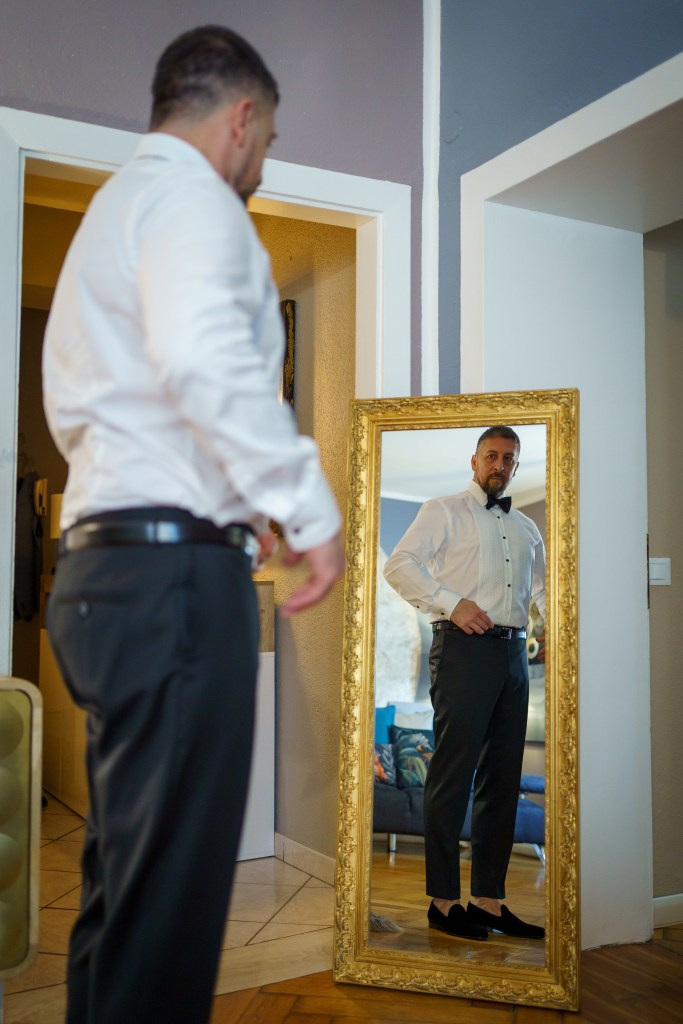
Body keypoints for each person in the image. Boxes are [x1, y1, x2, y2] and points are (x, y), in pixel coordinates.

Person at [42, 25, 344, 1024]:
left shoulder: (114, 210)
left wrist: (239, 506)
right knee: (166, 924)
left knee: (125, 898)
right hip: (169, 590)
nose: (262, 165)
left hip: (106, 578)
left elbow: (133, 409)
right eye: (269, 141)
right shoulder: (196, 202)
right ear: (242, 119)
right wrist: (306, 509)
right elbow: (203, 360)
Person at [383, 426, 545, 941]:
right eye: (491, 455)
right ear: (474, 461)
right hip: (461, 649)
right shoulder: (442, 510)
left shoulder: (527, 528)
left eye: (508, 458)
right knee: (453, 774)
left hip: (513, 655)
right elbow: (399, 565)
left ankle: (489, 902)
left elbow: (540, 591)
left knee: (503, 777)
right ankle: (443, 902)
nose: (499, 464)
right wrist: (453, 603)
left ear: (515, 466)